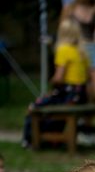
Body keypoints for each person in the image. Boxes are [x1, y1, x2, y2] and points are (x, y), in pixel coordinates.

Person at [22, 19, 90, 147]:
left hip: (67, 94)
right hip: (81, 96)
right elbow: (87, 76)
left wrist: (52, 81)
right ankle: (53, 139)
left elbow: (59, 77)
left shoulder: (63, 49)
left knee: (34, 106)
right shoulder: (82, 51)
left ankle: (30, 140)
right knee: (52, 105)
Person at [61, 0, 95, 102]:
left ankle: (90, 112)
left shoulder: (94, 8)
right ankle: (81, 111)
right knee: (80, 84)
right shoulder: (70, 7)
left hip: (92, 48)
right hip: (77, 49)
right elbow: (62, 28)